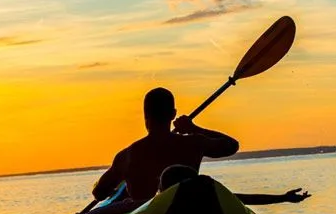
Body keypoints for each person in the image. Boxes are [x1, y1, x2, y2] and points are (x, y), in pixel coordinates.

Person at [91, 87, 240, 203]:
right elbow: (231, 145)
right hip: (185, 211)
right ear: (173, 114)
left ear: (145, 115)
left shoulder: (127, 156)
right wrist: (194, 129)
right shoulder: (193, 143)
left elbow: (99, 192)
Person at [62, 164, 310, 214]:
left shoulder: (150, 204)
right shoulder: (205, 200)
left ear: (162, 189)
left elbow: (108, 210)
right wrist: (283, 198)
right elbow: (244, 198)